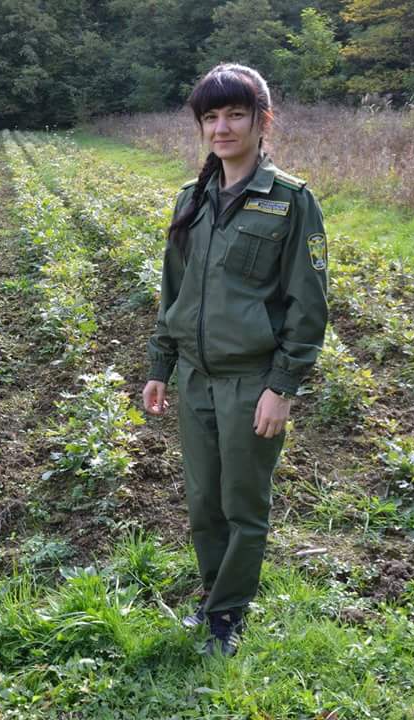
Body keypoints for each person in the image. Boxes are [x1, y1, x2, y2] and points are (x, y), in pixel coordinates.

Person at [141, 63, 329, 657]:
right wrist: (159, 366)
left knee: (242, 503)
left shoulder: (291, 202)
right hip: (195, 377)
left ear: (261, 120)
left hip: (252, 381)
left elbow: (308, 303)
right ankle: (213, 594)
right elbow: (174, 293)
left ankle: (227, 614)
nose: (222, 128)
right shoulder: (190, 199)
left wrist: (284, 385)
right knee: (203, 502)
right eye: (211, 117)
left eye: (235, 115)